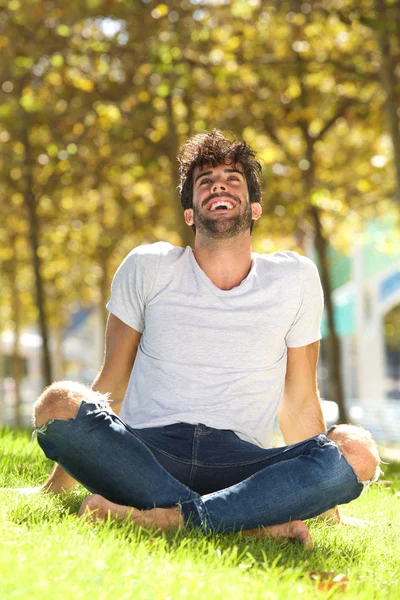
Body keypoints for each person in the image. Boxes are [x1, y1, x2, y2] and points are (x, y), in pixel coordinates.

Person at [30, 130, 380, 547]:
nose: (219, 184)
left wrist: (328, 506)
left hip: (241, 461)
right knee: (58, 402)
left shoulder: (295, 278)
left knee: (357, 450)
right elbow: (111, 385)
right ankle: (245, 520)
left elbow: (301, 401)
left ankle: (168, 518)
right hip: (147, 453)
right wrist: (58, 484)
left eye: (233, 178)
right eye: (205, 180)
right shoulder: (148, 266)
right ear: (191, 215)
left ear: (254, 207)